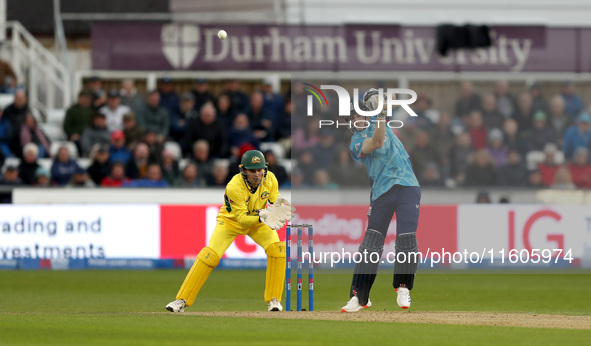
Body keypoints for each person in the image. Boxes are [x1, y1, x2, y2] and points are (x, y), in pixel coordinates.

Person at [165, 150, 295, 313]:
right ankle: (181, 300)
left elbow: (274, 200)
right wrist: (263, 217)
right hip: (231, 222)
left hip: (258, 221)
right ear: (243, 170)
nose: (257, 174)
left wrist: (277, 209)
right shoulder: (234, 186)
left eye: (260, 170)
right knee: (209, 256)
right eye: (252, 171)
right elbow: (242, 219)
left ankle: (274, 300)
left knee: (278, 249)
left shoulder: (270, 179)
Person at [341, 90, 421, 313]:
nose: (357, 120)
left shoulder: (382, 123)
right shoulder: (356, 142)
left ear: (366, 115)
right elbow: (376, 142)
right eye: (352, 118)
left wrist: (379, 102)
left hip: (408, 186)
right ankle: (359, 297)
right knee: (371, 245)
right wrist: (381, 112)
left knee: (406, 237)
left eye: (359, 115)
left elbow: (391, 102)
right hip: (382, 192)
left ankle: (403, 287)